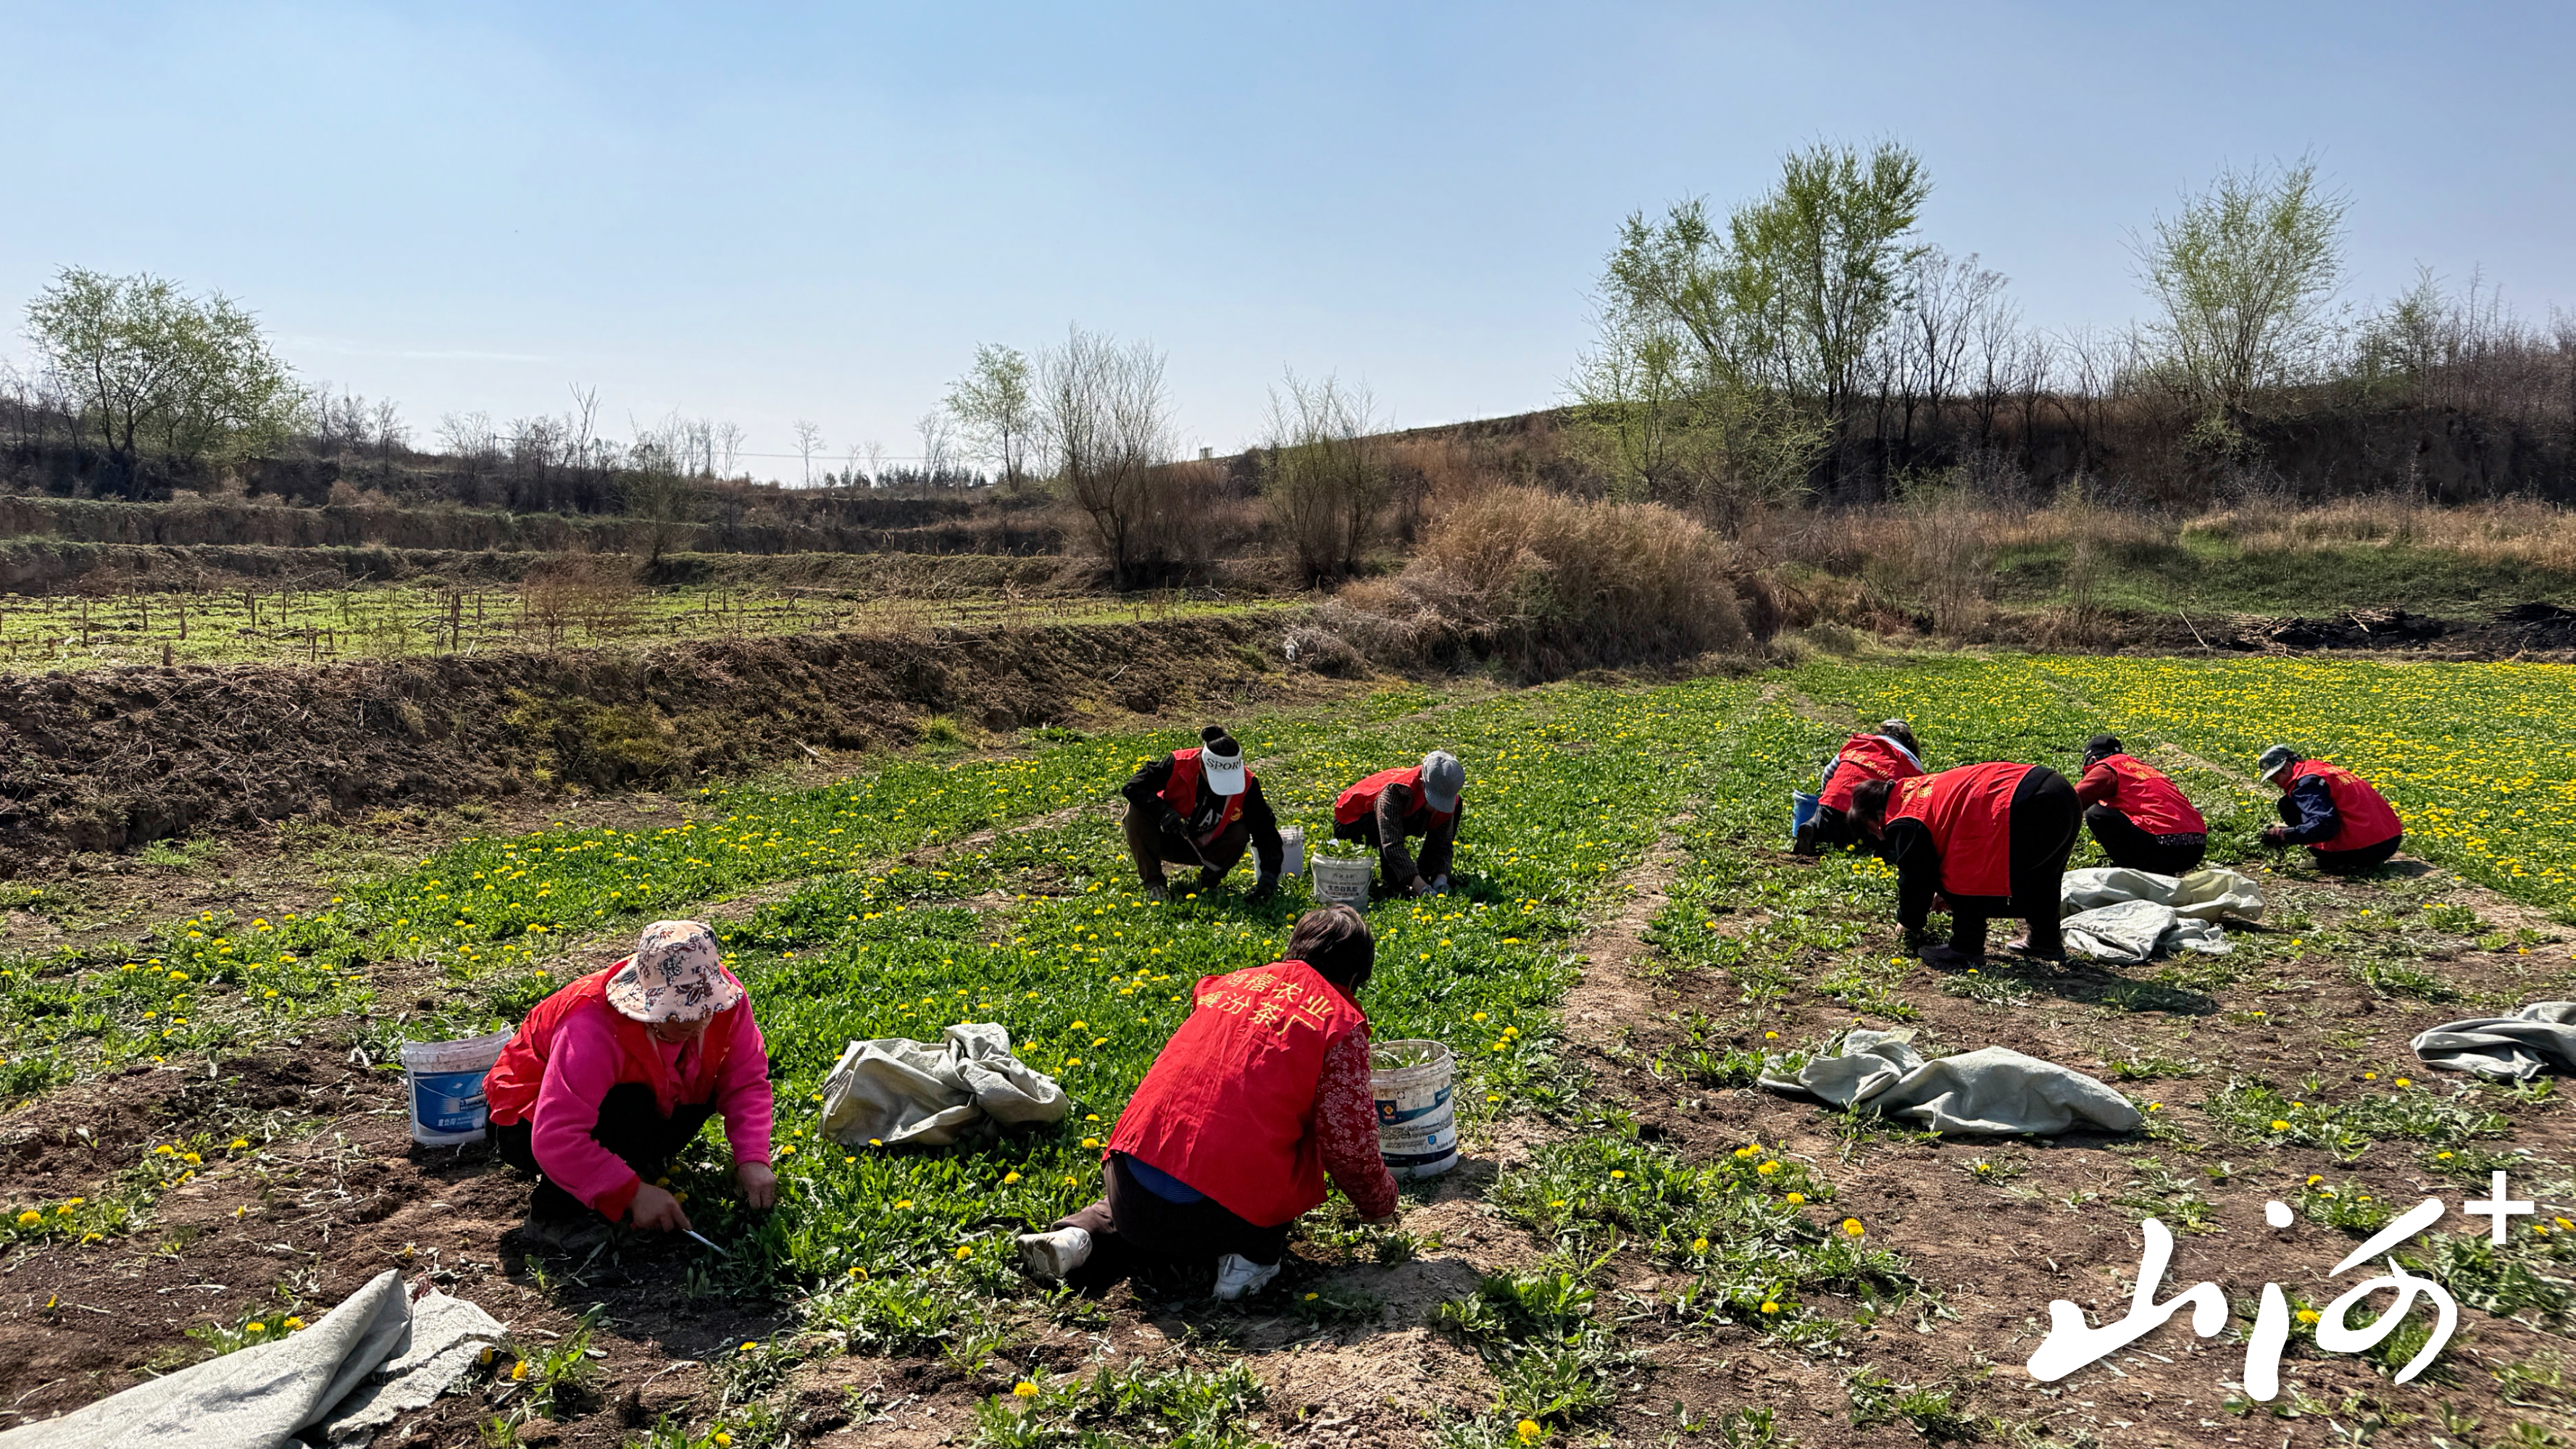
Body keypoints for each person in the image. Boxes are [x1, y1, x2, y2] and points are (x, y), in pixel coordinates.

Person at [1017, 904, 1397, 1300]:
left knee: (1163, 1185)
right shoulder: (1338, 1020)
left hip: (1128, 1185)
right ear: (1354, 977)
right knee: (1285, 1147)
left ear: (1293, 951)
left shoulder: (1227, 985)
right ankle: (1249, 1262)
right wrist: (1380, 1202)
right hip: (1219, 1215)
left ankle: (1077, 1236)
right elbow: (1348, 1144)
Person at [483, 920, 776, 1249]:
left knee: (686, 1093)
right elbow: (556, 1135)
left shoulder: (725, 1002)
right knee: (628, 1107)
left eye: (700, 1009)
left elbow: (746, 1081)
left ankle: (624, 1164)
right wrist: (632, 1194)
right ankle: (554, 1214)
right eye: (676, 1011)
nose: (692, 1021)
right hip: (526, 1122)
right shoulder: (591, 1025)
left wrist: (752, 1159)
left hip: (648, 1102)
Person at [1849, 761, 2080, 963]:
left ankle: (1966, 945)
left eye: (1873, 833)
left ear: (1877, 815)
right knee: (2045, 877)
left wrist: (1909, 921)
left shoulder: (1905, 817)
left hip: (2027, 804)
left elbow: (1917, 877)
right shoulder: (1914, 789)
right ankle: (2045, 940)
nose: (1881, 837)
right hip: (2059, 790)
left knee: (1958, 871)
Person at [1119, 726, 1285, 901]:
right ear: (1201, 765)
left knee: (1240, 831)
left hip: (1209, 848)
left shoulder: (1248, 783)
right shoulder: (1178, 763)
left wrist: (1269, 877)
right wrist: (1164, 813)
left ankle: (1208, 885)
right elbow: (1132, 788)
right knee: (1134, 811)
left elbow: (1265, 831)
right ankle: (1155, 885)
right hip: (1168, 838)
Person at [1331, 751, 1466, 895]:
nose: (1436, 807)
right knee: (1384, 829)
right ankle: (1395, 883)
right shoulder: (1394, 792)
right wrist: (1421, 888)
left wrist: (1441, 878)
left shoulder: (1446, 790)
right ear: (1422, 782)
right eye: (1432, 799)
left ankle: (1425, 872)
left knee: (1453, 809)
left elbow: (1443, 843)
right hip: (1352, 822)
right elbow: (1391, 843)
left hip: (1405, 815)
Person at [2074, 734, 2208, 875]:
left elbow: (2071, 800)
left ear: (2093, 760)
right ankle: (2161, 873)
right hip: (2196, 847)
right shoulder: (2142, 768)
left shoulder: (2107, 768)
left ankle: (2135, 873)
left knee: (2097, 814)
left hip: (2164, 845)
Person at [2256, 745, 2404, 874]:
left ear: (2287, 767)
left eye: (2274, 778)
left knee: (2287, 806)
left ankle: (2332, 860)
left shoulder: (2306, 783)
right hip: (2390, 840)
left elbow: (2326, 826)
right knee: (2288, 802)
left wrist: (2286, 835)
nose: (2275, 783)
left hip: (2365, 849)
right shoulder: (2320, 769)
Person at [1796, 720, 1925, 855]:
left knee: (1823, 811)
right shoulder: (1910, 761)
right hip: (1866, 825)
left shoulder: (1858, 743)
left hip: (1830, 816)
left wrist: (1825, 796)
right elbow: (1916, 800)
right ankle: (1884, 848)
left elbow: (1828, 774)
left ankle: (1813, 827)